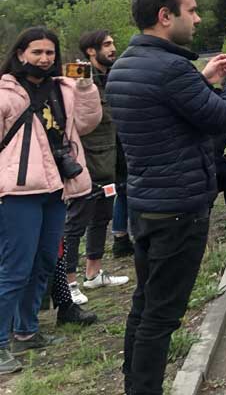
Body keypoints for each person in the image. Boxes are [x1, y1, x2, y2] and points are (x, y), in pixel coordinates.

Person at [106, 0, 226, 395]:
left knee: (144, 305)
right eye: (190, 10)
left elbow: (168, 117)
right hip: (178, 210)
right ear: (164, 16)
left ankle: (134, 384)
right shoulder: (172, 68)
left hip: (146, 204)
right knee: (162, 317)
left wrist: (203, 79)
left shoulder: (126, 65)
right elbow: (222, 117)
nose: (198, 17)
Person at [0, 27, 102, 375]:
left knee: (43, 263)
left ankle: (26, 332)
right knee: (14, 269)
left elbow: (87, 124)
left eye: (49, 52)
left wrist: (86, 87)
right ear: (20, 54)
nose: (44, 58)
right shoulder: (5, 92)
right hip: (17, 193)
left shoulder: (64, 88)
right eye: (37, 52)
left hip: (56, 187)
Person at [64, 30, 129, 306]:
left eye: (113, 43)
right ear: (91, 51)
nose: (113, 48)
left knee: (102, 215)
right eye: (107, 45)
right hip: (86, 159)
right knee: (76, 221)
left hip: (111, 158)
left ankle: (93, 272)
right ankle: (68, 283)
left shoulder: (114, 75)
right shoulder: (78, 76)